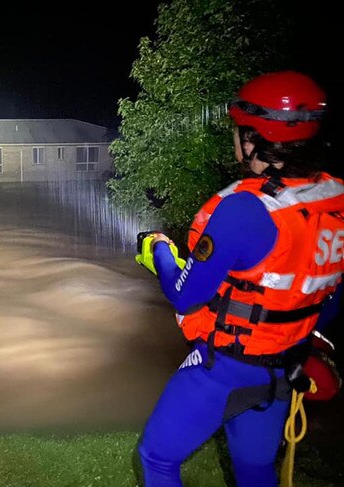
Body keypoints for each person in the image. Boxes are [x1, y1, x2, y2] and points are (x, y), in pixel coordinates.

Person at [136, 71, 344, 486]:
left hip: (225, 368)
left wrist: (158, 250)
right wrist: (305, 342)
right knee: (254, 470)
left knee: (156, 458)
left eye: (238, 131)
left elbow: (183, 294)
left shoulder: (244, 210)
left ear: (253, 138)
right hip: (282, 369)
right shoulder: (333, 198)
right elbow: (327, 294)